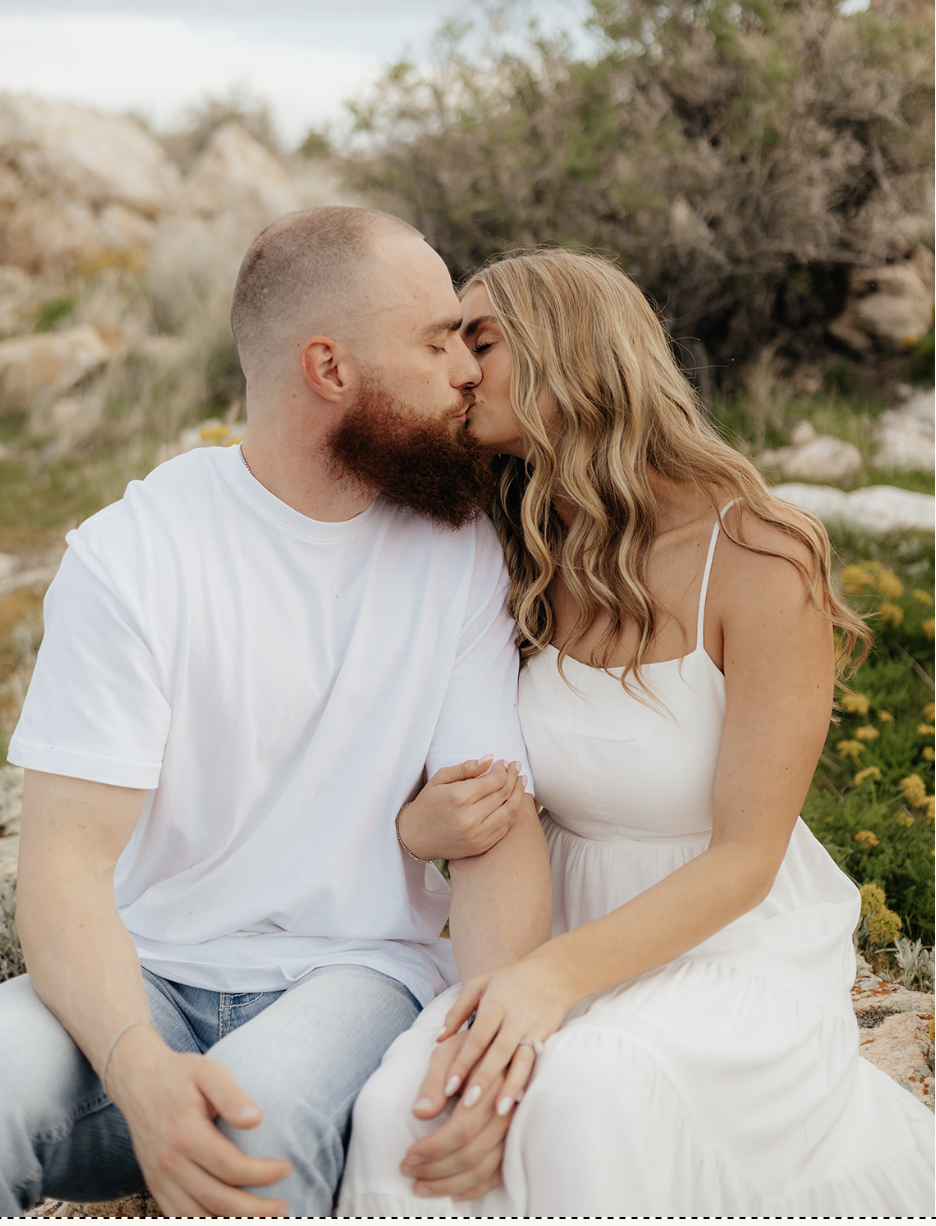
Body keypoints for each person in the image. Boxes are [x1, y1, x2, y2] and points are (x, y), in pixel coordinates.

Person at [338, 247, 936, 1216]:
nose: (458, 369)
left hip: (734, 941)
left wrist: (545, 988)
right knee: (404, 1103)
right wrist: (424, 834)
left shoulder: (760, 553)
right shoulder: (512, 548)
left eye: (480, 340)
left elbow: (748, 857)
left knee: (583, 1091)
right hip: (545, 920)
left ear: (569, 349)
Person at [0, 207, 552, 1218]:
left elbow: (490, 826)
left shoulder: (459, 550)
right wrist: (139, 1069)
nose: (466, 369)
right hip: (146, 971)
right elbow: (64, 865)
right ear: (330, 368)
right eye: (434, 341)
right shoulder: (135, 554)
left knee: (254, 1119)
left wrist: (493, 1050)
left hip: (357, 971)